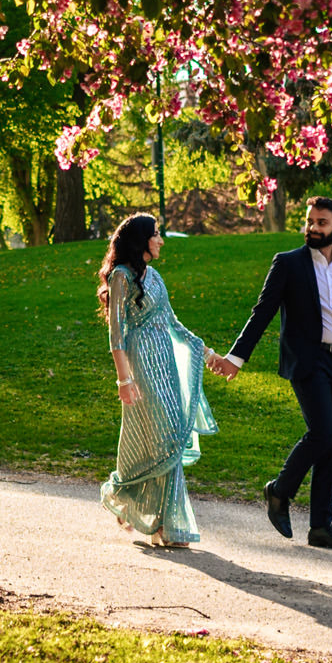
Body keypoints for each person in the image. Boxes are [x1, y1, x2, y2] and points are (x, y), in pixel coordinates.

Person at [208, 195, 332, 551]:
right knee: (322, 432)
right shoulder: (288, 263)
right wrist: (237, 357)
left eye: (321, 223)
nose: (313, 228)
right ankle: (279, 491)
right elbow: (262, 312)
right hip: (308, 363)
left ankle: (321, 527)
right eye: (310, 221)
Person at [98, 212, 220, 549]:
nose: (161, 239)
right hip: (140, 366)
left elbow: (174, 324)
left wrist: (208, 354)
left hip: (164, 363)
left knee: (169, 439)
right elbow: (116, 335)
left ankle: (150, 515)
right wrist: (124, 379)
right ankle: (158, 520)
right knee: (162, 438)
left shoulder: (155, 277)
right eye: (156, 234)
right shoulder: (121, 277)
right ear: (141, 241)